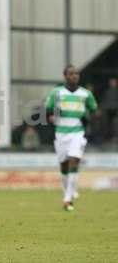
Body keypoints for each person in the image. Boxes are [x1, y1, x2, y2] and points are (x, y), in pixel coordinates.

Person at [45, 65, 97, 211]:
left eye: (76, 74)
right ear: (65, 76)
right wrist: (53, 115)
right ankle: (69, 189)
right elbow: (48, 109)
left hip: (77, 133)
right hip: (61, 133)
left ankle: (68, 199)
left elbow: (93, 109)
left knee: (74, 161)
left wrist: (88, 117)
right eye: (71, 73)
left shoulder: (86, 94)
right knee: (64, 166)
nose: (74, 76)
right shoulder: (57, 92)